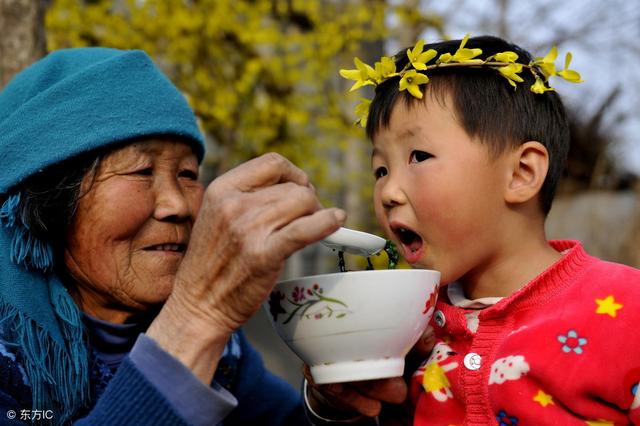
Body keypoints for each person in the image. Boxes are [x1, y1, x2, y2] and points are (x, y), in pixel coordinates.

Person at [0, 46, 400, 425]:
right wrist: (197, 316)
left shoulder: (225, 351)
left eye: (188, 175)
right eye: (142, 171)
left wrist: (330, 405)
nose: (179, 204)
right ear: (50, 199)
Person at [328, 35, 640, 424]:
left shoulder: (629, 311)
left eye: (419, 156)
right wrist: (334, 398)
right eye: (380, 170)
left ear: (521, 173)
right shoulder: (403, 325)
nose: (388, 192)